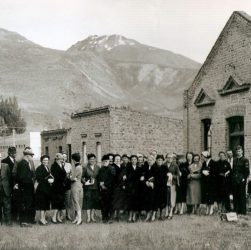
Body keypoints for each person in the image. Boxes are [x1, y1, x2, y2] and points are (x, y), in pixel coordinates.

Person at [16, 147, 36, 227]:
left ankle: (25, 221)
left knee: (26, 204)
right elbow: (22, 177)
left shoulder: (22, 163)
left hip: (25, 187)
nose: (32, 157)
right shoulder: (24, 164)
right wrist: (30, 180)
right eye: (31, 156)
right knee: (25, 204)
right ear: (28, 156)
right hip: (25, 188)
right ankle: (24, 222)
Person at [35, 155, 54, 225]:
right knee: (42, 205)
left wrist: (51, 180)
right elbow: (39, 179)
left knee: (46, 204)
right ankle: (41, 219)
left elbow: (49, 176)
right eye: (44, 160)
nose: (46, 161)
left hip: (47, 189)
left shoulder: (47, 168)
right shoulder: (39, 168)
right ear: (41, 161)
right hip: (41, 189)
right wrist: (48, 180)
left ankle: (44, 219)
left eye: (47, 160)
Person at [2, 147, 18, 222]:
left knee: (14, 201)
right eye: (13, 152)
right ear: (9, 153)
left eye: (15, 152)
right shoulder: (4, 161)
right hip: (7, 185)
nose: (15, 153)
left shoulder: (16, 161)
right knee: (7, 202)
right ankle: (7, 218)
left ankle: (13, 217)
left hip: (14, 184)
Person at [82, 153, 100, 223]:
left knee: (94, 203)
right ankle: (88, 218)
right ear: (88, 160)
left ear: (95, 160)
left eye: (93, 159)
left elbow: (99, 177)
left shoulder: (98, 167)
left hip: (96, 188)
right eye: (90, 159)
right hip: (88, 188)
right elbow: (81, 177)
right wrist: (85, 182)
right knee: (88, 203)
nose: (92, 160)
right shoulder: (85, 167)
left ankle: (92, 217)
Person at [232, 146, 250, 215]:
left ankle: (243, 211)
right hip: (235, 180)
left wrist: (243, 179)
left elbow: (247, 172)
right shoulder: (234, 160)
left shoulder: (245, 160)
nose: (238, 152)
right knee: (235, 195)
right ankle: (236, 210)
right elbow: (234, 170)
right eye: (237, 151)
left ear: (242, 151)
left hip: (241, 180)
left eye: (239, 151)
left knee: (242, 196)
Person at [97, 154, 114, 223]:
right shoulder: (101, 169)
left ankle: (109, 218)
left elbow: (112, 179)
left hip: (110, 189)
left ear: (108, 161)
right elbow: (99, 178)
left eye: (106, 161)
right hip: (102, 190)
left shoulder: (111, 168)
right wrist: (100, 185)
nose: (105, 163)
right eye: (103, 161)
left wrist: (105, 184)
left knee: (109, 204)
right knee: (103, 204)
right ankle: (104, 218)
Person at [50, 153, 67, 223]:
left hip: (61, 187)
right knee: (56, 203)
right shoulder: (53, 166)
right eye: (59, 159)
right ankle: (54, 217)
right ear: (56, 159)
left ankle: (58, 217)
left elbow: (64, 174)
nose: (60, 160)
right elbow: (56, 176)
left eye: (61, 159)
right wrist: (63, 178)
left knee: (60, 202)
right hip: (56, 187)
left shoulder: (62, 165)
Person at [201, 151, 217, 215]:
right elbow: (202, 171)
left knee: (211, 196)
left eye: (203, 156)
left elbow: (215, 173)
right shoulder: (204, 163)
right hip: (205, 182)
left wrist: (209, 174)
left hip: (211, 183)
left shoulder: (213, 163)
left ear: (206, 156)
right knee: (206, 196)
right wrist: (203, 172)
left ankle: (211, 209)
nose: (202, 158)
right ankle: (207, 209)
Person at [112, 154, 127, 221]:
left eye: (118, 159)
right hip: (115, 186)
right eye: (116, 159)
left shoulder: (122, 166)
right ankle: (113, 215)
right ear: (114, 160)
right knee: (115, 201)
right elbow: (114, 177)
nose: (117, 160)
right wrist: (122, 177)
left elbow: (124, 175)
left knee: (120, 201)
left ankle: (118, 215)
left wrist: (124, 178)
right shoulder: (113, 166)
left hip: (121, 186)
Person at [164, 153, 180, 219]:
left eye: (171, 158)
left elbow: (178, 175)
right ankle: (166, 212)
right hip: (165, 184)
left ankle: (170, 212)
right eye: (168, 157)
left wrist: (172, 176)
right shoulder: (164, 165)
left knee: (172, 198)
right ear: (166, 158)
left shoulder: (175, 165)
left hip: (172, 184)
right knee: (166, 198)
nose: (170, 159)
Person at [143, 155, 158, 222]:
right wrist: (146, 181)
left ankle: (153, 215)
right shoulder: (146, 167)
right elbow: (144, 176)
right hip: (147, 187)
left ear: (154, 161)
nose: (149, 161)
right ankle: (148, 215)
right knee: (147, 201)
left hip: (154, 188)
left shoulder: (156, 168)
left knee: (154, 201)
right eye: (148, 160)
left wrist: (152, 182)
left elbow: (158, 177)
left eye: (151, 160)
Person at [126, 155, 141, 222]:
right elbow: (126, 177)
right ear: (130, 160)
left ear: (137, 160)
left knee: (135, 202)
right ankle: (130, 216)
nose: (134, 161)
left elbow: (140, 178)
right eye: (132, 159)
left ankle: (134, 216)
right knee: (129, 202)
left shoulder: (139, 168)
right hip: (130, 187)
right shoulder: (128, 168)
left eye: (135, 159)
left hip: (137, 188)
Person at [70, 153, 83, 225]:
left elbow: (72, 178)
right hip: (79, 185)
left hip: (75, 185)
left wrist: (70, 176)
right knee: (77, 201)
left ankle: (79, 219)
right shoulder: (79, 166)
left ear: (73, 160)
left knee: (76, 202)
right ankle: (77, 218)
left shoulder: (77, 167)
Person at [0, 152, 12, 225]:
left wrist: (9, 188)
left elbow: (9, 178)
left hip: (5, 189)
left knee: (7, 205)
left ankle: (8, 221)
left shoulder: (6, 166)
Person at [154, 154, 168, 220]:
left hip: (163, 187)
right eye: (158, 160)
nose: (159, 161)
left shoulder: (165, 168)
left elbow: (168, 176)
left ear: (163, 161)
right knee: (156, 200)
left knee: (162, 201)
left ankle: (161, 215)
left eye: (161, 160)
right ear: (156, 160)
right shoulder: (154, 167)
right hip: (156, 187)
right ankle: (155, 215)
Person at [62, 152, 72, 221]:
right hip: (61, 185)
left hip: (67, 184)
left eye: (65, 157)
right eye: (62, 157)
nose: (64, 158)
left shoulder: (69, 165)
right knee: (61, 200)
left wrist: (70, 176)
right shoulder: (58, 165)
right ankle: (61, 215)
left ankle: (68, 215)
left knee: (68, 200)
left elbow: (71, 174)